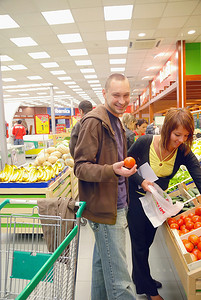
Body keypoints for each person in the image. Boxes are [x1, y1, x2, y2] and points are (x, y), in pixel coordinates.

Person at [74, 73, 137, 300]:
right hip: (105, 209)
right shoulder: (94, 122)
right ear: (104, 94)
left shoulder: (115, 120)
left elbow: (115, 162)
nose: (122, 100)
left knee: (103, 268)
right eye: (116, 95)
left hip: (114, 203)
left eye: (126, 95)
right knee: (120, 280)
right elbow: (80, 167)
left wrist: (124, 172)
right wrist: (112, 170)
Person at [127, 108, 201, 300]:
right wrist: (139, 180)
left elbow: (198, 175)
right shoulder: (145, 142)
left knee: (148, 241)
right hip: (136, 198)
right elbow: (126, 164)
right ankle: (149, 290)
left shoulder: (183, 151)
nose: (181, 140)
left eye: (186, 135)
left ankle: (141, 278)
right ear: (167, 129)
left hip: (156, 201)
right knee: (139, 244)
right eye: (177, 134)